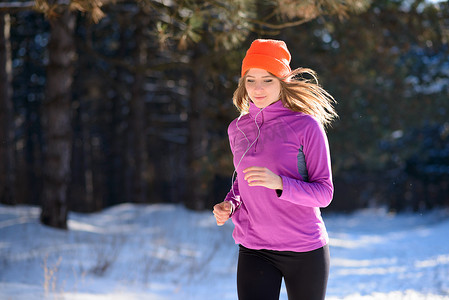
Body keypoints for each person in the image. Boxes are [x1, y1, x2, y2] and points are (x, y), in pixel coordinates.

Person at [213, 39, 338, 300]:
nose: (257, 89)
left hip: (304, 249)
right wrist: (231, 204)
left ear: (283, 81)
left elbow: (324, 193)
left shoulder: (306, 126)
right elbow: (242, 183)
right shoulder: (237, 128)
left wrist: (280, 183)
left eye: (268, 80)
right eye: (250, 80)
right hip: (255, 247)